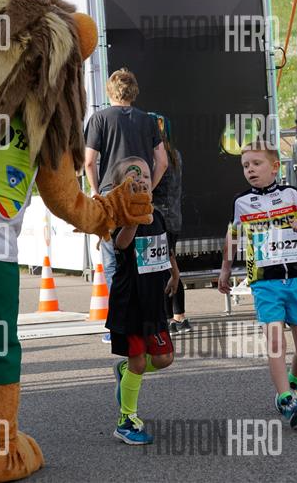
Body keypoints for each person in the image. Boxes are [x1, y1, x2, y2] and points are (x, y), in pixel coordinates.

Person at [218, 142, 297, 428]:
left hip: (296, 281)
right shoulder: (241, 201)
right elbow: (232, 237)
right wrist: (225, 270)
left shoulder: (292, 194)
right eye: (245, 166)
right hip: (264, 282)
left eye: (257, 164)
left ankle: (293, 380)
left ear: (275, 167)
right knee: (276, 341)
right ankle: (285, 399)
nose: (250, 170)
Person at [84, 67, 168, 343]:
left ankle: (119, 327)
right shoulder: (148, 120)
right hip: (141, 196)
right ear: (134, 91)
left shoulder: (99, 119)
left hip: (113, 196)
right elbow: (162, 161)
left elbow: (89, 162)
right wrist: (147, 189)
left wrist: (97, 192)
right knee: (145, 260)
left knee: (114, 263)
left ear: (110, 91)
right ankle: (151, 322)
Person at [106, 157, 179, 445]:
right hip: (130, 304)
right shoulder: (120, 217)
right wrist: (134, 218)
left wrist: (175, 273)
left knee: (163, 358)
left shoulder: (157, 215)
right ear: (118, 186)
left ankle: (126, 372)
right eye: (133, 179)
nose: (141, 182)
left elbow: (166, 248)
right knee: (138, 360)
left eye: (146, 177)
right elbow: (121, 243)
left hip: (154, 303)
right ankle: (126, 421)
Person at [149, 112, 191, 334]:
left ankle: (167, 319)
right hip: (174, 218)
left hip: (158, 218)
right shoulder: (175, 154)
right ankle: (179, 316)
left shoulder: (154, 156)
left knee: (161, 269)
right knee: (171, 265)